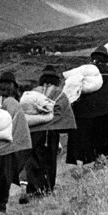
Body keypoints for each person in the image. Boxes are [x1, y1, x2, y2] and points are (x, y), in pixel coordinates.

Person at [0, 71, 32, 213]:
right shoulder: (14, 104)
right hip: (8, 149)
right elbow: (20, 130)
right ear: (14, 87)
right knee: (4, 182)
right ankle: (0, 211)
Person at [65, 46, 108, 174]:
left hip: (81, 114)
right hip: (101, 113)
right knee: (100, 139)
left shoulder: (85, 72)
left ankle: (79, 167)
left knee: (80, 141)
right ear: (106, 59)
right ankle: (99, 162)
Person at [24, 65, 76, 199]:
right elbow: (64, 112)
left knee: (33, 159)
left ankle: (32, 190)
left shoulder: (33, 92)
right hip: (51, 133)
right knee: (49, 161)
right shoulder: (59, 93)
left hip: (33, 131)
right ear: (56, 80)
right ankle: (47, 189)